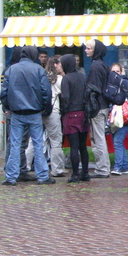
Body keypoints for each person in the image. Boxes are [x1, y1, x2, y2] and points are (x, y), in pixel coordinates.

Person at [1, 46, 54, 186]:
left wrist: (8, 107)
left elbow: (4, 93)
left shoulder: (11, 69)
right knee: (38, 144)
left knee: (15, 145)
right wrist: (44, 108)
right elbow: (46, 92)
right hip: (35, 112)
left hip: (17, 113)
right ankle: (42, 176)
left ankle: (11, 177)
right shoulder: (39, 69)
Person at [2, 47, 33, 181]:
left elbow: (4, 92)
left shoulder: (8, 70)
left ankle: (11, 167)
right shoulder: (18, 70)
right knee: (19, 142)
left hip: (11, 108)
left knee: (13, 141)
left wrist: (6, 106)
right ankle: (19, 169)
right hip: (19, 109)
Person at [59, 54, 91, 183]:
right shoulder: (82, 77)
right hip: (83, 114)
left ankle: (75, 174)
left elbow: (65, 97)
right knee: (83, 146)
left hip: (71, 115)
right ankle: (85, 172)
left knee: (74, 146)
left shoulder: (66, 79)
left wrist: (63, 110)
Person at [85, 39, 111, 178]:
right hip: (103, 106)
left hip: (97, 107)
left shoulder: (95, 67)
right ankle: (103, 168)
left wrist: (90, 106)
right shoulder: (103, 65)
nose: (86, 50)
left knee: (98, 138)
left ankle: (102, 169)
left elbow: (93, 89)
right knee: (99, 137)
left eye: (88, 48)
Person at [110, 63, 128, 176]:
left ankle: (118, 166)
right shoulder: (110, 83)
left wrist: (121, 102)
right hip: (115, 116)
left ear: (121, 72)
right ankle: (124, 166)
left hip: (123, 116)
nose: (115, 74)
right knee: (119, 142)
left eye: (117, 71)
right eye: (113, 71)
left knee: (117, 141)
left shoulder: (125, 82)